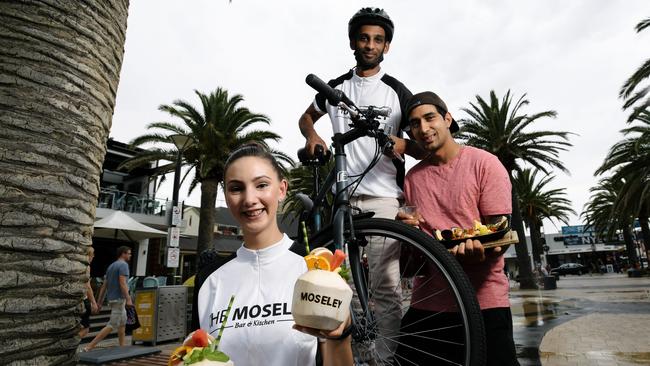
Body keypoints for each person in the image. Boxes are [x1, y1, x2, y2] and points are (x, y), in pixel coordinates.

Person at [298, 7, 421, 361]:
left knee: (385, 286)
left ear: (387, 47)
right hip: (343, 197)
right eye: (364, 38)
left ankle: (382, 358)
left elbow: (420, 141)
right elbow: (307, 116)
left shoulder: (398, 92)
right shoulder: (335, 88)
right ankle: (349, 356)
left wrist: (403, 145)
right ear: (353, 42)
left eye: (378, 40)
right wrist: (313, 136)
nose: (370, 44)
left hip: (384, 197)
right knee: (339, 285)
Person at [196, 144, 353, 366]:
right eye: (236, 188)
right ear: (227, 197)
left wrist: (343, 330)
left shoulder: (318, 269)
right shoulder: (209, 279)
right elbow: (195, 355)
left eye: (261, 185)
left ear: (281, 190)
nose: (249, 199)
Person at [396, 91, 520, 365]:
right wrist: (406, 236)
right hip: (428, 303)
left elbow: (499, 236)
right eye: (415, 124)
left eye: (430, 118)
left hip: (484, 303)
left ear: (448, 118)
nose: (423, 128)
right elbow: (410, 266)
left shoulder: (485, 164)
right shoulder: (412, 179)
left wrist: (483, 251)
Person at [84, 246, 133, 351]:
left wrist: (99, 302)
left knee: (122, 322)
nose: (130, 255)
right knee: (112, 324)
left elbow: (104, 286)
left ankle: (122, 347)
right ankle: (89, 347)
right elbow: (122, 283)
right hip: (119, 299)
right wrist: (128, 299)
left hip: (112, 299)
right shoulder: (124, 265)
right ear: (123, 254)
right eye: (128, 253)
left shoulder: (111, 266)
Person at [79, 246, 98, 339]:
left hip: (75, 300)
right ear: (88, 255)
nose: (93, 256)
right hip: (83, 300)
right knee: (85, 329)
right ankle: (69, 346)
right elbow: (88, 286)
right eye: (92, 254)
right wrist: (94, 303)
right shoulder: (86, 267)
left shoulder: (77, 265)